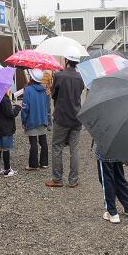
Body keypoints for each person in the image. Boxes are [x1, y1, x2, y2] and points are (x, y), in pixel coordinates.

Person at [45, 56, 85, 188]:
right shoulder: (81, 77)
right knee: (74, 150)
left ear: (67, 61)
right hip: (76, 117)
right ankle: (73, 180)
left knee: (57, 147)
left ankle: (57, 179)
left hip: (61, 117)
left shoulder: (59, 75)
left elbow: (54, 95)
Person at [96, 148, 128, 224]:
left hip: (105, 151)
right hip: (118, 150)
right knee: (120, 178)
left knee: (107, 182)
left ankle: (112, 212)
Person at [21, 69, 49, 171]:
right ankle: (44, 163)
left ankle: (33, 165)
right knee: (43, 141)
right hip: (42, 119)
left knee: (33, 143)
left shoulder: (28, 90)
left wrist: (23, 120)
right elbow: (47, 106)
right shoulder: (43, 90)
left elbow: (25, 108)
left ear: (31, 78)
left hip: (32, 120)